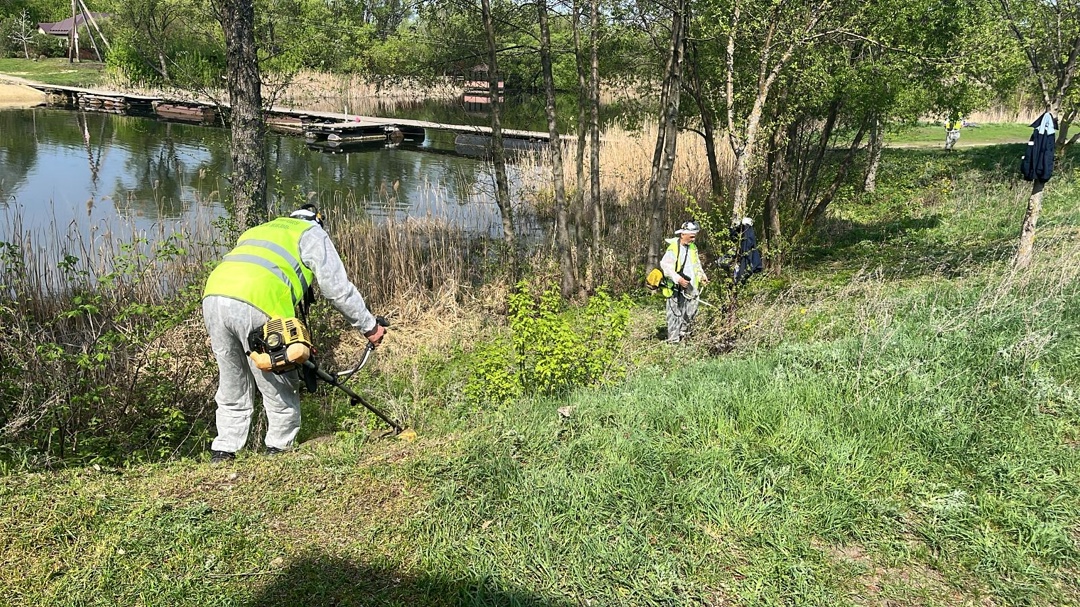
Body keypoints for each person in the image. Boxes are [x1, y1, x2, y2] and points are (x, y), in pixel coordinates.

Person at [202, 205, 385, 463]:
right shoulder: (311, 233)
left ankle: (224, 451)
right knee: (278, 380)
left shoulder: (262, 229)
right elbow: (337, 290)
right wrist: (370, 326)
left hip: (214, 296)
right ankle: (278, 450)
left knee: (232, 380)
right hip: (259, 301)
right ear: (318, 222)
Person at [660, 220, 708, 343]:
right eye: (691, 237)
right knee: (674, 313)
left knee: (691, 310)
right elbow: (666, 266)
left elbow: (696, 264)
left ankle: (684, 334)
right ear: (683, 235)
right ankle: (673, 340)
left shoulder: (693, 247)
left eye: (694, 237)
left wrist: (702, 275)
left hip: (690, 286)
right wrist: (678, 279)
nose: (693, 239)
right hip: (675, 286)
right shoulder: (673, 248)